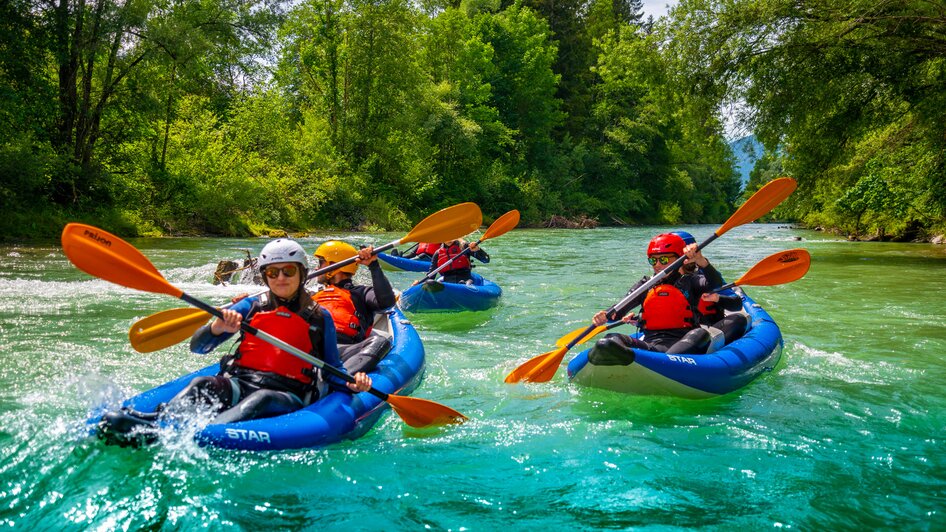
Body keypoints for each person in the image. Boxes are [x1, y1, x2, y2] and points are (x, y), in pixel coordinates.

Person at [98, 239, 372, 445]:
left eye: (288, 271)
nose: (280, 279)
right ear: (264, 276)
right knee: (201, 384)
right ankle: (160, 421)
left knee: (261, 400)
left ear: (301, 273)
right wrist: (217, 328)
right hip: (241, 382)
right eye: (272, 273)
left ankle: (194, 437)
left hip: (288, 393)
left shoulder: (319, 316)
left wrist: (352, 383)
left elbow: (333, 369)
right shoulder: (251, 306)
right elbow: (199, 347)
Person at [588, 233, 748, 363]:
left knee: (701, 334)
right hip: (650, 345)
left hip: (685, 342)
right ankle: (652, 363)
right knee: (610, 339)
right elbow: (618, 310)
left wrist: (701, 260)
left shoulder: (691, 280)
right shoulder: (645, 285)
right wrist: (605, 315)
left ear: (679, 259)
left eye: (663, 259)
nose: (657, 264)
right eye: (653, 260)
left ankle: (663, 364)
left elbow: (716, 284)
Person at [313, 241, 396, 373]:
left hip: (344, 351)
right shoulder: (312, 297)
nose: (317, 269)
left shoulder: (360, 293)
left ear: (333, 266)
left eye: (321, 262)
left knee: (380, 342)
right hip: (311, 347)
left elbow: (387, 302)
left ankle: (342, 378)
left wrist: (373, 266)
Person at [420, 239, 490, 285]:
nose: (448, 239)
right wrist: (419, 285)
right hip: (447, 281)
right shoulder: (438, 253)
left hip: (466, 279)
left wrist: (478, 250)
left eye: (451, 235)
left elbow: (486, 260)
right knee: (430, 283)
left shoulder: (464, 246)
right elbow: (431, 275)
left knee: (466, 283)